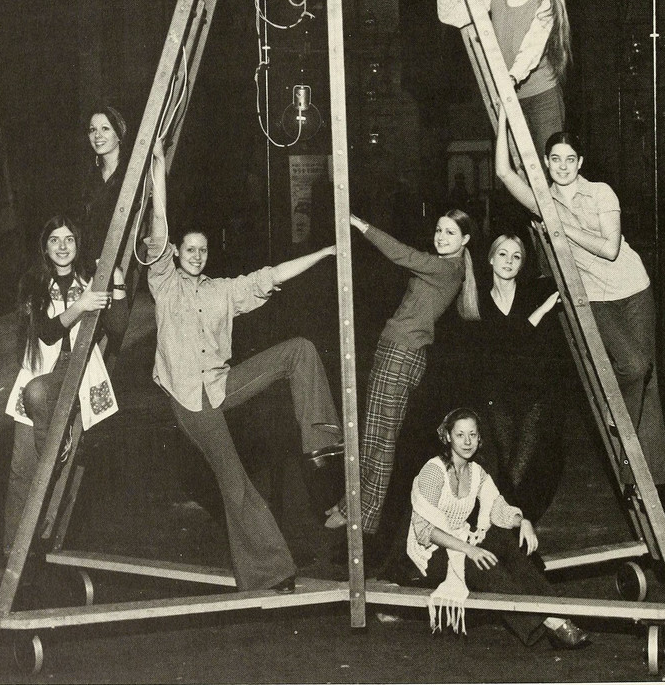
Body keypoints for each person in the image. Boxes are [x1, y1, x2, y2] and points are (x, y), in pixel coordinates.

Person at [146, 138, 343, 593]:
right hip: (188, 400)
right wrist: (158, 170)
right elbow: (159, 226)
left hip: (221, 384)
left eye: (203, 250)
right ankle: (270, 571)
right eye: (189, 249)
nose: (197, 256)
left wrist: (324, 254)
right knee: (234, 479)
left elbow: (269, 276)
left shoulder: (222, 291)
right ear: (176, 253)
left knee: (298, 349)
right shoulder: (165, 284)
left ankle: (321, 443)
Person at [494, 105, 665, 494]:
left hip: (633, 288)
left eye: (570, 159)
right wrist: (505, 115)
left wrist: (559, 227)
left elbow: (610, 248)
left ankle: (642, 476)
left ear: (580, 162)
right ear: (546, 162)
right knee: (633, 366)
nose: (562, 166)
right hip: (593, 297)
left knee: (646, 378)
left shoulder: (600, 192)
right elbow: (504, 173)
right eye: (555, 159)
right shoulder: (542, 200)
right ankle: (614, 414)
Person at [0, 216, 126, 587]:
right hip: (40, 374)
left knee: (50, 454)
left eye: (69, 240)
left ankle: (42, 542)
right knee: (22, 471)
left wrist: (116, 281)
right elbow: (45, 333)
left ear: (78, 244)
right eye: (55, 240)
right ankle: (11, 561)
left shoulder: (92, 279)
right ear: (45, 247)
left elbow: (117, 328)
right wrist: (81, 306)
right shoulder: (33, 284)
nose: (63, 247)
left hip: (77, 375)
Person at [326, 210, 479, 541]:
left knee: (380, 439)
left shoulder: (446, 268)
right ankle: (351, 505)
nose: (441, 237)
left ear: (465, 240)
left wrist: (362, 225)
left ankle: (365, 518)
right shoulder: (446, 266)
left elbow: (402, 254)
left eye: (450, 233)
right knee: (371, 434)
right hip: (395, 349)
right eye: (439, 230)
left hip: (402, 354)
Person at [406, 408, 590, 648]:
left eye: (472, 434)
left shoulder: (476, 472)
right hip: (430, 554)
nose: (467, 441)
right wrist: (469, 549)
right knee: (481, 563)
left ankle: (554, 610)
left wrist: (523, 522)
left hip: (461, 540)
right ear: (448, 437)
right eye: (460, 435)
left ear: (479, 438)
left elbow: (497, 508)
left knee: (502, 538)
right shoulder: (433, 472)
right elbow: (424, 531)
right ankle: (549, 622)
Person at [437, 0, 571, 157]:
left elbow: (532, 48)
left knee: (550, 163)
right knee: (516, 167)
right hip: (509, 96)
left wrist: (512, 77)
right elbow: (451, 15)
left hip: (542, 96)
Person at [472, 234, 565, 524]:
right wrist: (542, 311)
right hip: (497, 396)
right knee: (503, 462)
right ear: (490, 258)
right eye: (502, 254)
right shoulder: (478, 300)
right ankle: (508, 523)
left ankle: (508, 524)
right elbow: (506, 342)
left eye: (516, 256)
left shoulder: (532, 293)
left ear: (523, 264)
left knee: (519, 467)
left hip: (532, 395)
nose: (509, 261)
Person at [80, 105, 129, 270]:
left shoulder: (132, 174)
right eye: (92, 130)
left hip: (124, 263)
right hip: (91, 265)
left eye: (105, 128)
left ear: (119, 134)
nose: (97, 135)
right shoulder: (88, 177)